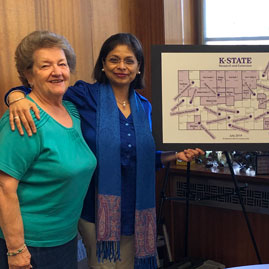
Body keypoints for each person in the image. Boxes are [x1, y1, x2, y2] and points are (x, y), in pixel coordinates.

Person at [5, 33, 204, 268]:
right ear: (103, 64)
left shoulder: (145, 107)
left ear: (139, 67)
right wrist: (15, 97)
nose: (121, 67)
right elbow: (42, 90)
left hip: (136, 208)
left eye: (129, 61)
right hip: (97, 210)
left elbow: (136, 156)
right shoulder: (83, 96)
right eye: (113, 59)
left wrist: (174, 156)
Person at [0, 31, 97, 268]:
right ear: (28, 75)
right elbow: (4, 187)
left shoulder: (72, 111)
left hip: (64, 239)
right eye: (45, 66)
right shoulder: (23, 118)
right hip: (31, 245)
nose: (57, 71)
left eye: (62, 64)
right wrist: (16, 250)